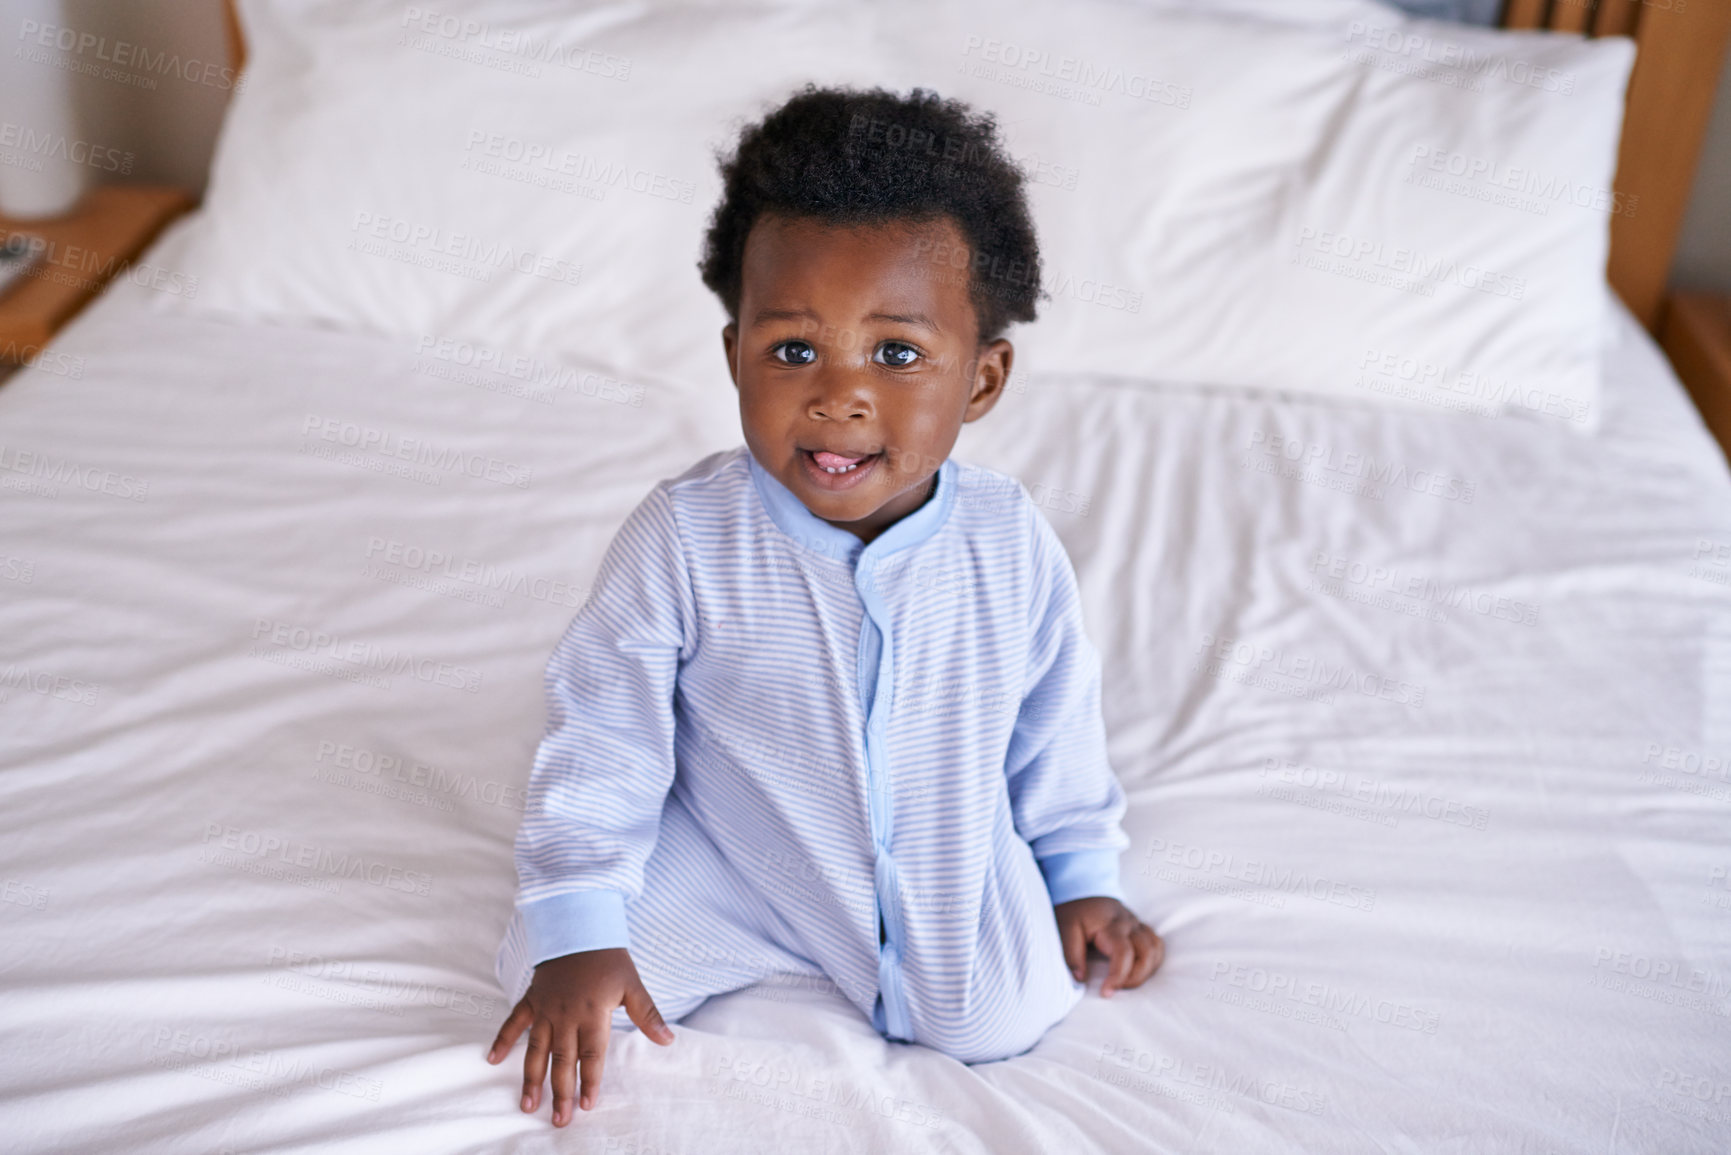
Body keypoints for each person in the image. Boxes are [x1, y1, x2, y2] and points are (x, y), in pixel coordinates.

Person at [486, 84, 1163, 1128]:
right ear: (734, 356)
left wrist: (1081, 877)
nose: (838, 393)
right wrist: (579, 921)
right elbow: (605, 730)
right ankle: (640, 922)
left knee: (996, 1014)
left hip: (939, 850)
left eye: (896, 355)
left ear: (982, 382)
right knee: (550, 970)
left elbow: (1052, 721)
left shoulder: (1006, 540)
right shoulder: (682, 536)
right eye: (792, 349)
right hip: (735, 851)